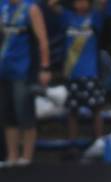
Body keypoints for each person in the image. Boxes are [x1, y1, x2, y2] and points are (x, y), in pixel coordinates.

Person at [0, 0, 51, 165]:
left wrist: (45, 67)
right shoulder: (3, 6)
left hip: (23, 69)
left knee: (25, 112)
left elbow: (42, 40)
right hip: (4, 69)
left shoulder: (31, 8)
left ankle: (27, 156)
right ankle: (12, 156)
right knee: (8, 114)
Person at [49, 0, 104, 144]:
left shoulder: (95, 16)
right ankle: (71, 144)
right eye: (78, 1)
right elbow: (52, 4)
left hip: (91, 72)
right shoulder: (67, 16)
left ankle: (98, 142)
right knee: (72, 111)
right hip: (72, 72)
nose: (81, 4)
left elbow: (102, 3)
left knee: (96, 108)